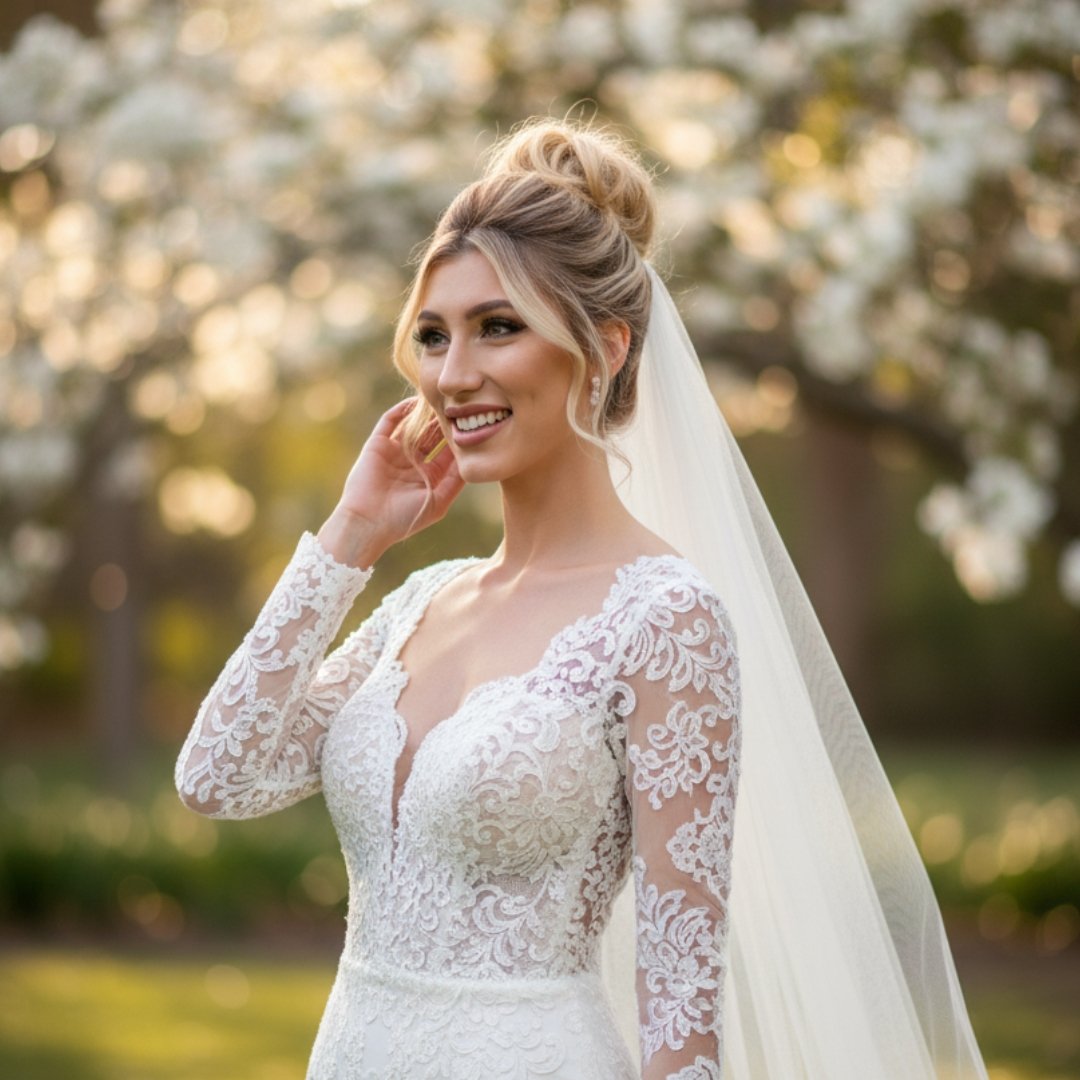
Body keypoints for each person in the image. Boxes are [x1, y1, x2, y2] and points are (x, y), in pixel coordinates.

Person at [175, 120, 988, 1079]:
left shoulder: (665, 620)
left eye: (498, 327)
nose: (452, 375)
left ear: (602, 348)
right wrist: (351, 534)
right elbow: (217, 776)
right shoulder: (420, 601)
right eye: (433, 336)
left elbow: (681, 1007)